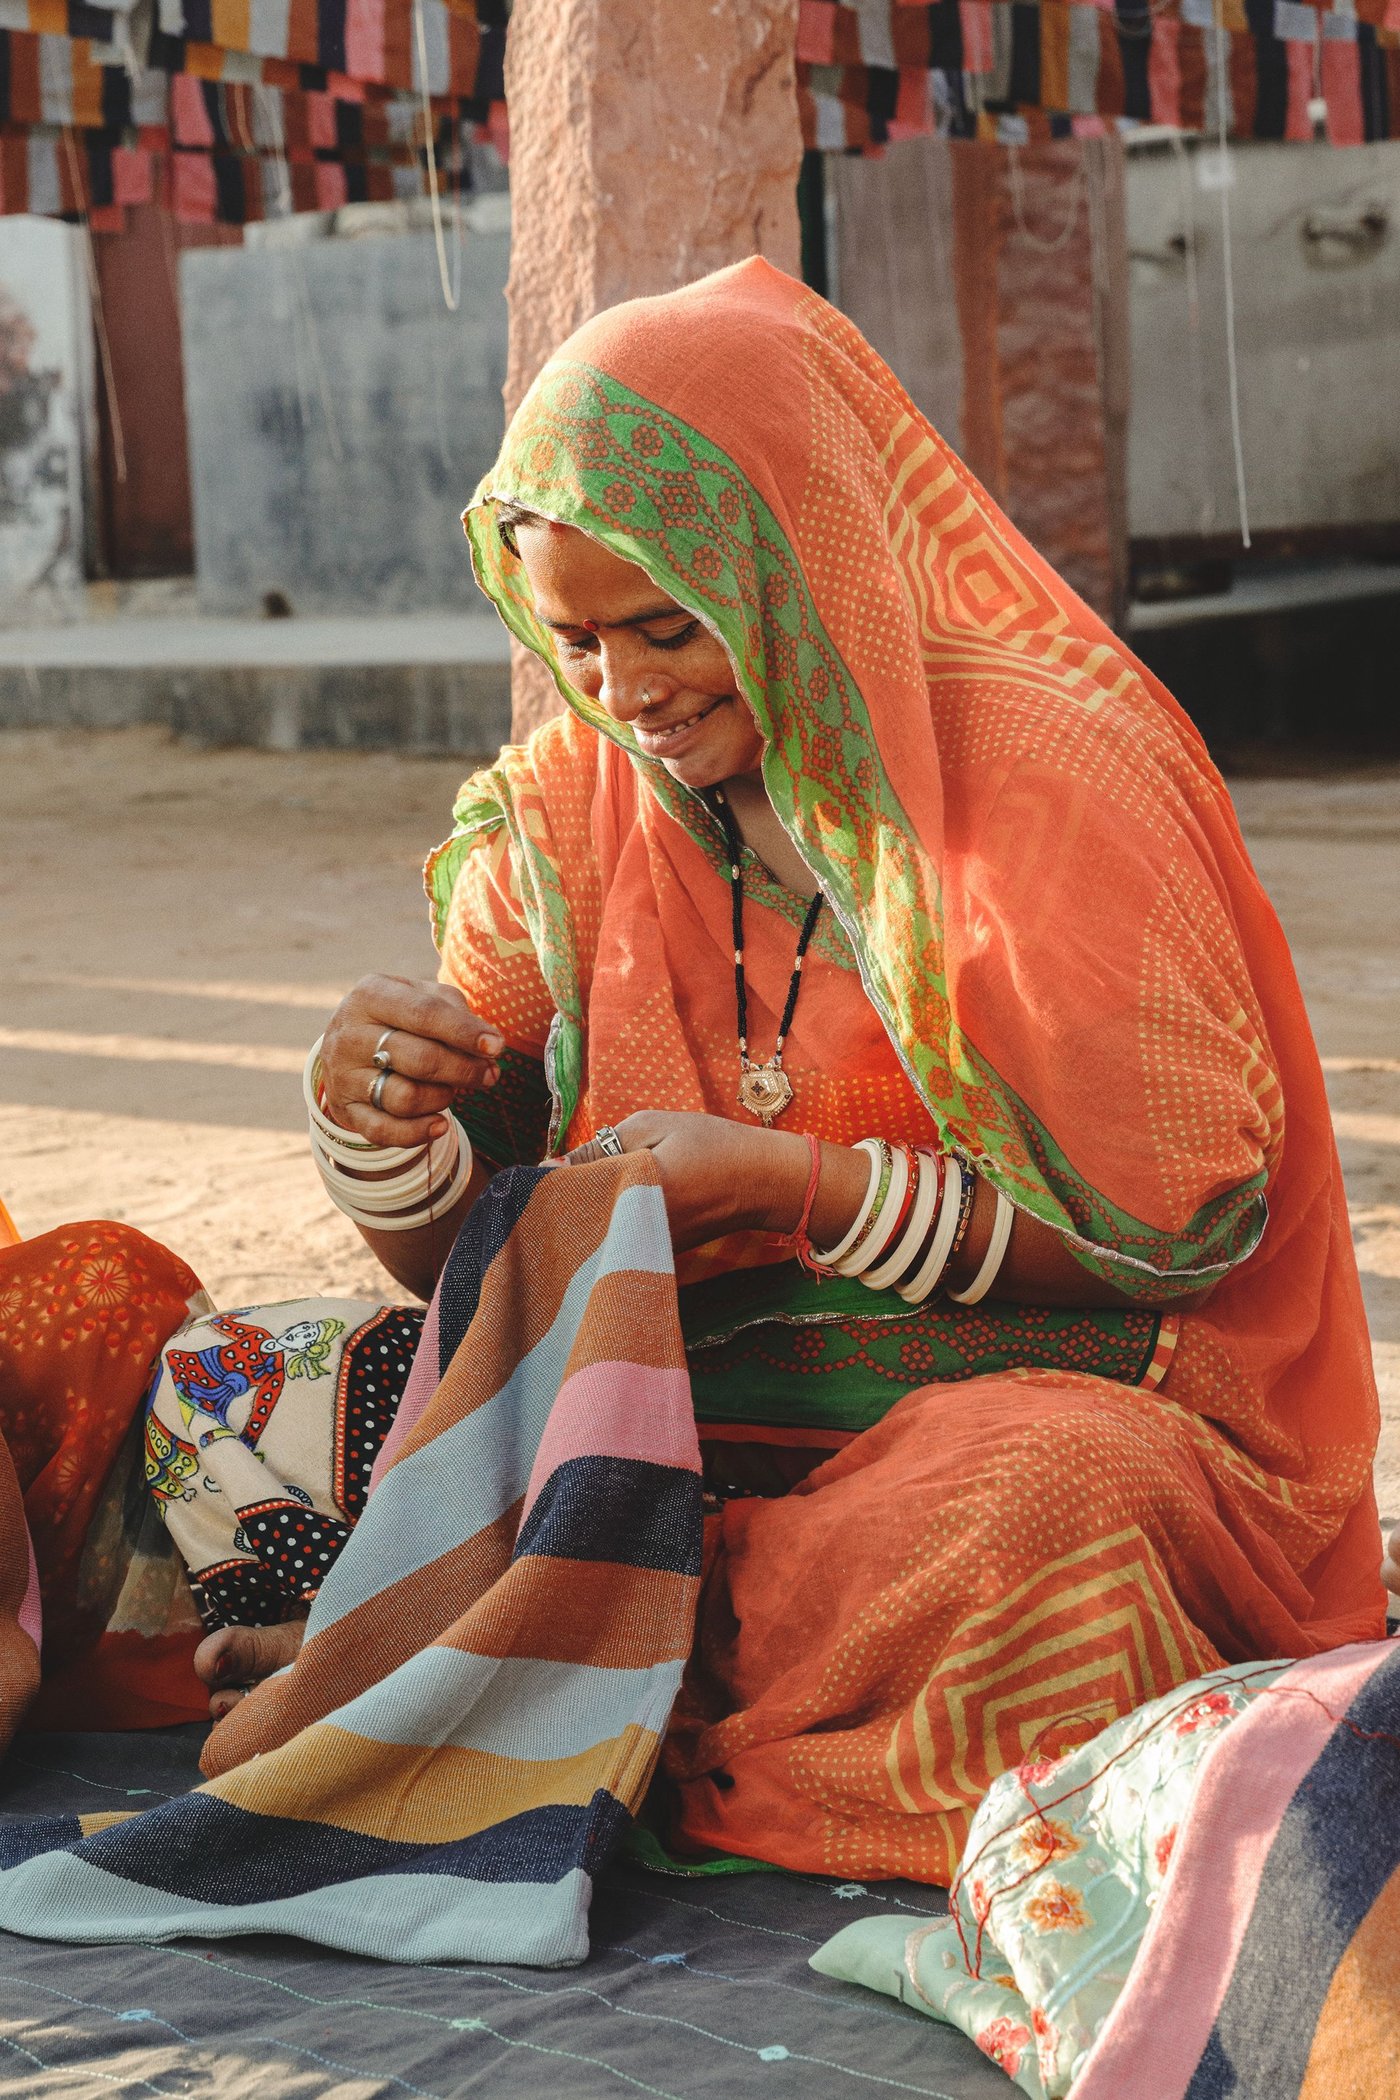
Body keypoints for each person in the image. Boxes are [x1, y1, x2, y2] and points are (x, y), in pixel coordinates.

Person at [5, 259, 1384, 1884]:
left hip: (1029, 1404)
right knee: (214, 1394)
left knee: (1049, 1519)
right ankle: (518, 1657)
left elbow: (1173, 1239)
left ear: (797, 575)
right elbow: (482, 1275)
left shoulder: (1051, 782)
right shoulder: (574, 811)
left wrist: (800, 1187)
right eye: (575, 641)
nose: (628, 691)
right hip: (679, 1429)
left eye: (672, 628)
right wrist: (381, 1129)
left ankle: (483, 1671)